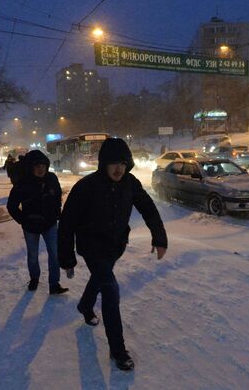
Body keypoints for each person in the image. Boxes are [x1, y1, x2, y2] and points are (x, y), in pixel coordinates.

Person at [58, 138, 168, 371]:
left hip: (115, 246)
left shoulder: (130, 183)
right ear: (103, 164)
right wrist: (66, 258)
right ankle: (117, 350)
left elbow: (149, 208)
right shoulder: (86, 186)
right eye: (113, 163)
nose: (118, 168)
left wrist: (159, 238)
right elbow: (67, 223)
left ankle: (85, 306)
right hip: (91, 246)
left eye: (122, 163)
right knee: (110, 290)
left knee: (100, 277)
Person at [7, 150, 68, 294]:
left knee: (54, 254)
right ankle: (34, 278)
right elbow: (11, 206)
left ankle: (54, 284)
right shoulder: (23, 183)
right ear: (31, 168)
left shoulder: (52, 178)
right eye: (37, 166)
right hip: (30, 227)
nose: (41, 169)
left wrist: (56, 213)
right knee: (33, 254)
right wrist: (23, 220)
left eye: (43, 165)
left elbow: (58, 196)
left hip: (50, 224)